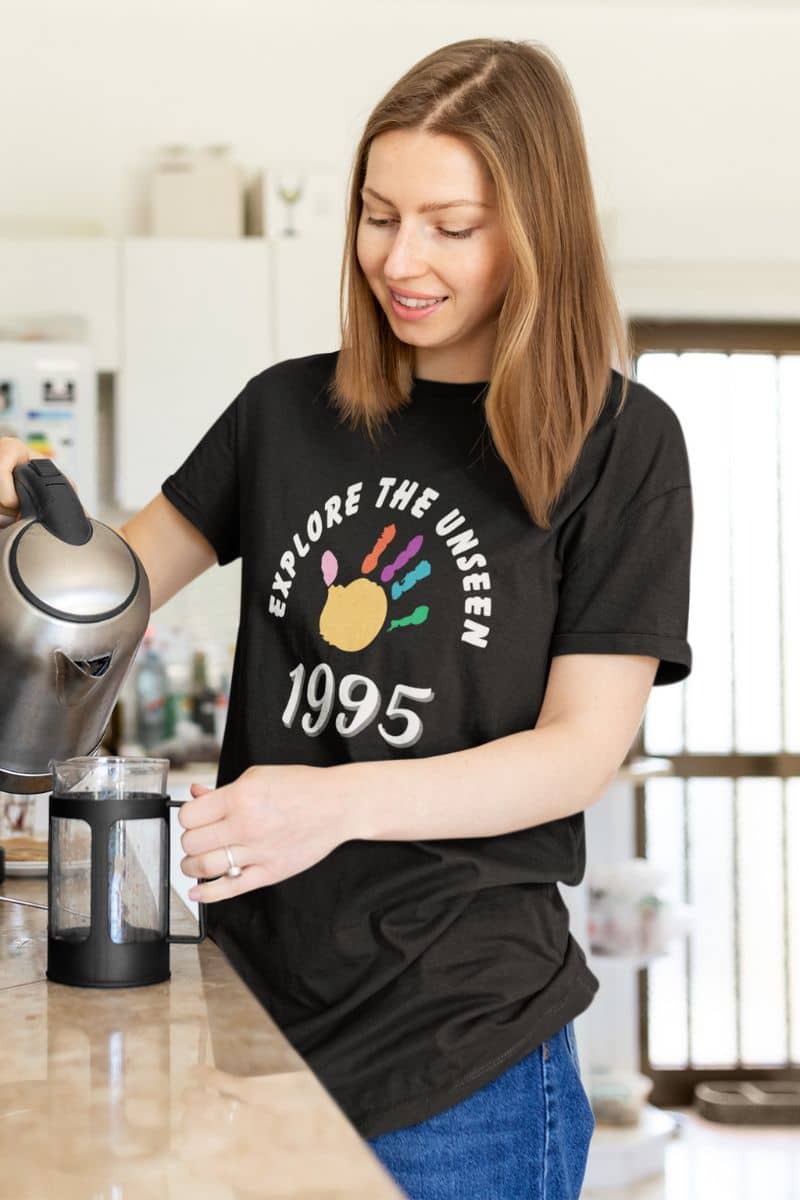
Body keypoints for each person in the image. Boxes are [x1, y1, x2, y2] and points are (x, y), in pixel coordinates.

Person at [0, 36, 693, 1200]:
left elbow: (580, 750)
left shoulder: (619, 445)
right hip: (255, 1017)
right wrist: (28, 504)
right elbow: (109, 594)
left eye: (449, 226)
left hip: (465, 1052)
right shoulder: (282, 412)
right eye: (376, 216)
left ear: (538, 228)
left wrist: (330, 801)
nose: (399, 258)